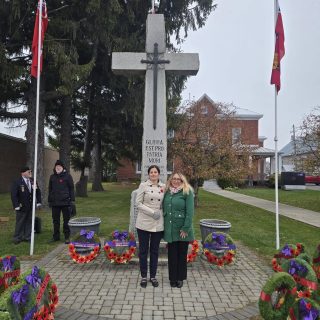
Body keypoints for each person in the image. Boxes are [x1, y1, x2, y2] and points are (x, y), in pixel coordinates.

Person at [163, 172, 194, 288]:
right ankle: (172, 278)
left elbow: (190, 212)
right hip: (171, 229)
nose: (176, 181)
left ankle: (180, 278)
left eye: (179, 180)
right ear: (170, 180)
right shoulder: (167, 192)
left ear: (182, 181)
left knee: (181, 254)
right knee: (172, 255)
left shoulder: (187, 191)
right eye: (174, 179)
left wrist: (186, 228)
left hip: (182, 229)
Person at [135, 165, 165, 288]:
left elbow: (165, 203)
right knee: (143, 251)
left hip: (158, 223)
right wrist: (152, 212)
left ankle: (153, 276)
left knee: (154, 251)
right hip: (144, 222)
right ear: (149, 174)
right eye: (151, 172)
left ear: (158, 174)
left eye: (155, 172)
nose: (153, 174)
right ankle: (143, 276)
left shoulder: (163, 187)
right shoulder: (143, 185)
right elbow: (138, 203)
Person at [11, 166, 42, 244]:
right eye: (28, 172)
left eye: (30, 172)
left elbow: (38, 192)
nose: (30, 173)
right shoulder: (17, 182)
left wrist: (38, 202)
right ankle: (17, 237)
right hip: (22, 206)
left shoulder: (32, 181)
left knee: (29, 221)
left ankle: (27, 237)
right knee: (20, 222)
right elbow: (14, 195)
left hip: (31, 206)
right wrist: (16, 205)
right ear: (23, 173)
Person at [48, 160, 75, 244]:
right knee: (55, 220)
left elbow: (71, 188)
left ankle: (67, 237)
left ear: (63, 167)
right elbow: (50, 189)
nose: (58, 168)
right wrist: (50, 200)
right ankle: (56, 236)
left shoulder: (68, 176)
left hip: (65, 202)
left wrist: (72, 200)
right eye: (56, 166)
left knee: (66, 220)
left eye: (59, 166)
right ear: (55, 168)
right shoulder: (52, 177)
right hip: (55, 203)